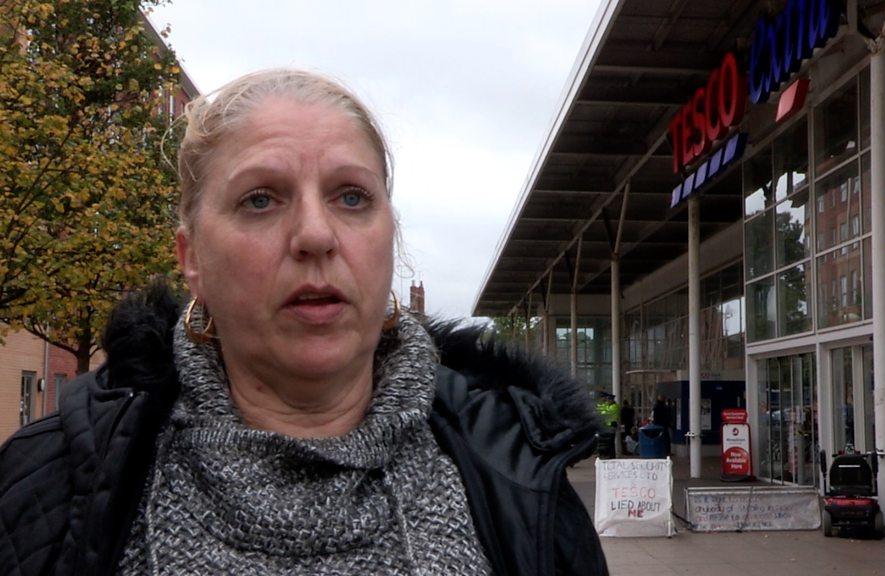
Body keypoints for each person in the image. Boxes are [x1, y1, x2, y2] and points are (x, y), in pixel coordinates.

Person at [0, 69, 607, 576]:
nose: (317, 235)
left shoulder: (523, 478)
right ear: (192, 260)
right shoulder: (44, 489)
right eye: (260, 199)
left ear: (389, 236)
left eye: (351, 196)